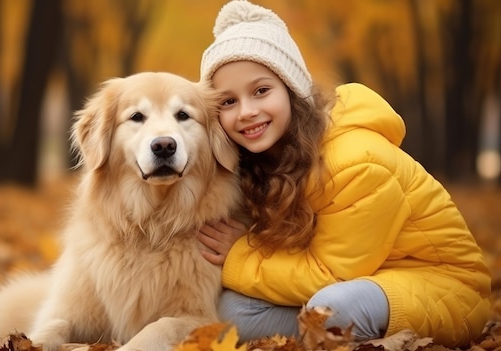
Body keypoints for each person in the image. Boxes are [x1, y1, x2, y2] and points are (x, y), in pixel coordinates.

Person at [196, 0, 491, 347]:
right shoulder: (262, 159)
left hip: (441, 287)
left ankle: (343, 336)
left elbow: (332, 274)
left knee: (332, 308)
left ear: (292, 90)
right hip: (360, 279)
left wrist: (238, 255)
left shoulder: (356, 162)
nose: (246, 111)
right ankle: (324, 336)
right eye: (228, 102)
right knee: (232, 310)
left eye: (261, 91)